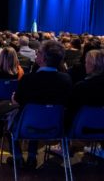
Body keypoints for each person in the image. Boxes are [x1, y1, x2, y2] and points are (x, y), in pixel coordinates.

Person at [10, 40, 72, 169]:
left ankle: (18, 157)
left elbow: (17, 101)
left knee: (12, 121)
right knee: (38, 116)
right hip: (56, 127)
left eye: (39, 52)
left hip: (27, 126)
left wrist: (13, 98)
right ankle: (32, 157)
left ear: (43, 58)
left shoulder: (28, 79)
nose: (36, 54)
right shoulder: (66, 79)